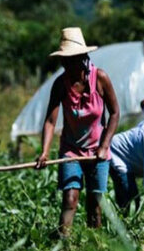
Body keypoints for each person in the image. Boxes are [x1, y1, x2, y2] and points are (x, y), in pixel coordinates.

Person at [36, 27, 120, 238]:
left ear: (82, 57)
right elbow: (50, 120)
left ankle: (93, 249)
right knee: (70, 199)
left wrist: (104, 146)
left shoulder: (100, 78)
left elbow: (115, 113)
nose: (65, 64)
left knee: (95, 203)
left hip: (97, 151)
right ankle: (63, 244)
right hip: (71, 149)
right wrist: (44, 152)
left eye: (70, 59)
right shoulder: (60, 84)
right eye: (63, 60)